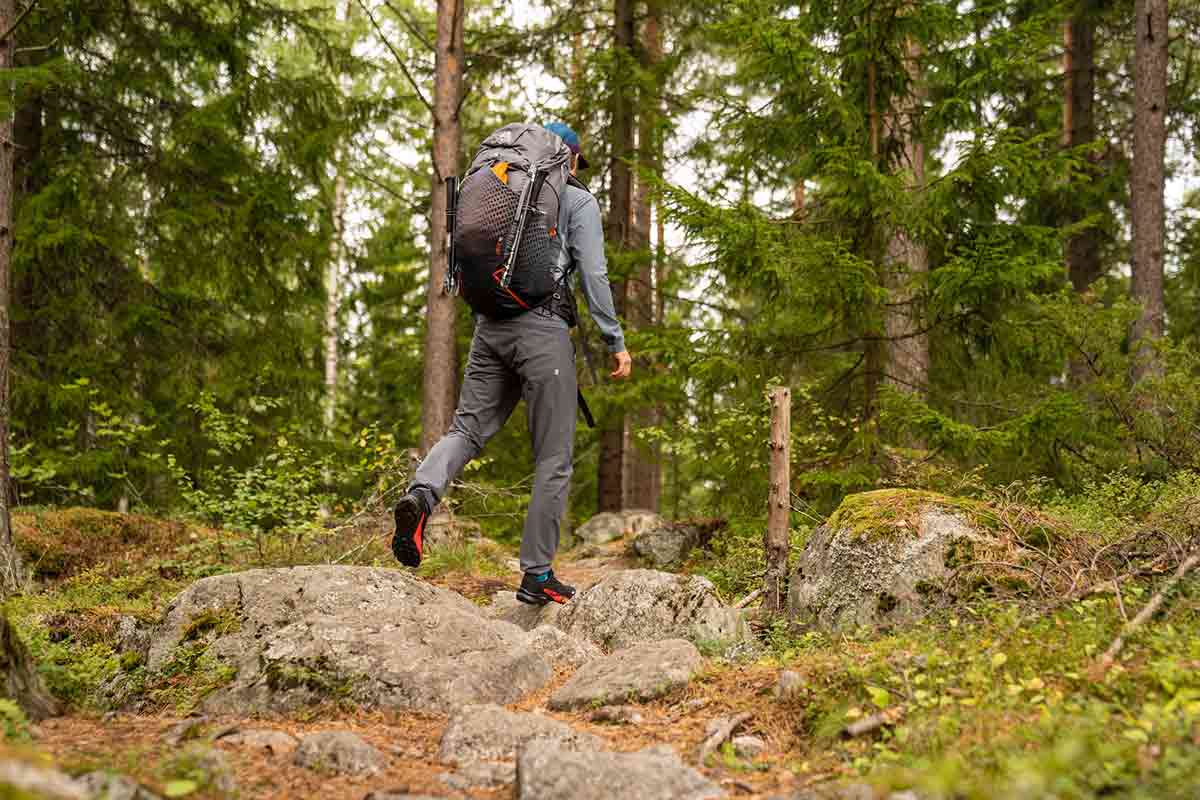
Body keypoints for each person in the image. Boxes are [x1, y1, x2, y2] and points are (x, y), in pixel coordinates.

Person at [392, 121, 631, 606]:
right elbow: (594, 273)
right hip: (543, 332)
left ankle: (421, 495)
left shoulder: (499, 181)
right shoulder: (576, 198)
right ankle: (537, 573)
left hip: (490, 325)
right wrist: (615, 340)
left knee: (466, 431)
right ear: (572, 158)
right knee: (553, 457)